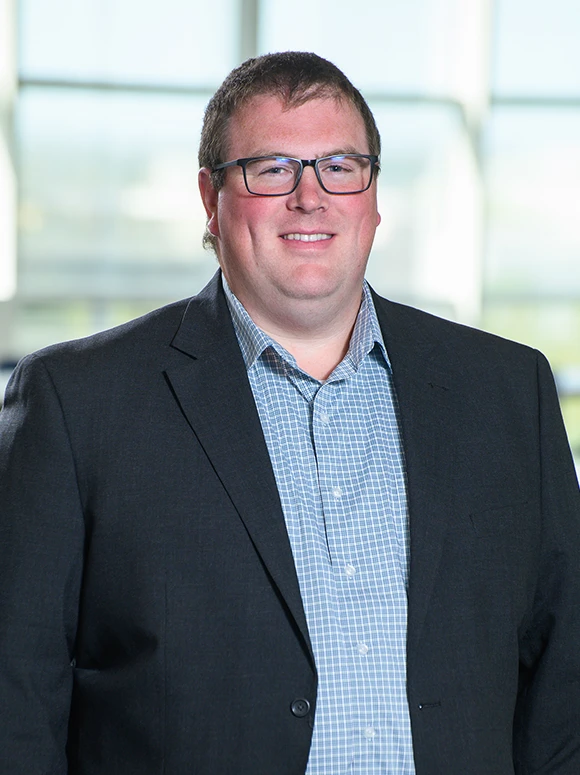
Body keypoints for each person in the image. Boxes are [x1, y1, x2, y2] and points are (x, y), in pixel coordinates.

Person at [0, 51, 579, 775]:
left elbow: (565, 688)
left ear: (371, 195)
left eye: (340, 165)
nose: (311, 196)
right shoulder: (75, 403)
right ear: (211, 198)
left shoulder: (507, 391)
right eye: (272, 168)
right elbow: (15, 705)